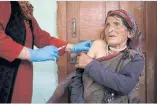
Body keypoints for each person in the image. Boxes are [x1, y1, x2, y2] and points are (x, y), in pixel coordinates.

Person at [0, 1, 92, 103]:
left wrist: (72, 47)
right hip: (5, 77)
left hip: (23, 78)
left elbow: (41, 38)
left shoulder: (23, 10)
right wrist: (30, 53)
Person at [48, 9, 145, 103]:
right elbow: (77, 80)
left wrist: (90, 64)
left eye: (116, 24)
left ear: (129, 33)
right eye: (107, 25)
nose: (110, 29)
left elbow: (124, 85)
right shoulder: (97, 46)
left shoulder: (135, 58)